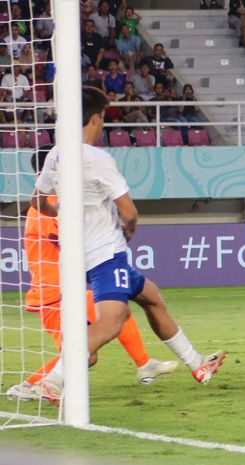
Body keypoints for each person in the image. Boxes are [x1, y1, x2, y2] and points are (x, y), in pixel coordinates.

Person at [30, 88, 227, 403]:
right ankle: (53, 381)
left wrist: (64, 212)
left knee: (151, 297)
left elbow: (37, 201)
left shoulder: (56, 154)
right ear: (97, 117)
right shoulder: (98, 158)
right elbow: (129, 211)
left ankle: (197, 364)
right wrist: (130, 229)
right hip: (105, 254)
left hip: (83, 256)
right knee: (111, 322)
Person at [7, 147, 178, 401]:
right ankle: (31, 385)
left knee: (116, 311)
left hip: (67, 291)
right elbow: (73, 237)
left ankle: (144, 364)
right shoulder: (46, 207)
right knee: (93, 346)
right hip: (53, 294)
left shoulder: (55, 201)